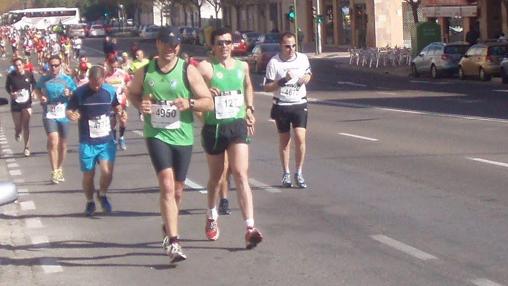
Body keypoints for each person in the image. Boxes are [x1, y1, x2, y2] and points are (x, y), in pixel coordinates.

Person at [128, 26, 213, 263]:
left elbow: (208, 103)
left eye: (174, 45)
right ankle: (174, 242)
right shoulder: (146, 72)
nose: (170, 48)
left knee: (177, 190)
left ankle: (168, 226)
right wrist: (140, 106)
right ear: (157, 44)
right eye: (166, 43)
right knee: (166, 184)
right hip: (157, 134)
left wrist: (190, 102)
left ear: (179, 47)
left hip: (182, 136)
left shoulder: (188, 71)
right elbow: (132, 94)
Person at [197, 27, 262, 248]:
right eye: (219, 43)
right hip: (214, 128)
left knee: (241, 173)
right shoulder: (206, 67)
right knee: (216, 178)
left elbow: (248, 87)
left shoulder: (242, 66)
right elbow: (190, 89)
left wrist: (250, 109)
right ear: (212, 46)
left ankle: (250, 227)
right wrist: (205, 94)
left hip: (237, 125)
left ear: (232, 44)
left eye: (227, 42)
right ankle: (211, 215)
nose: (224, 46)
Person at [67, 66, 124, 216]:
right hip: (87, 140)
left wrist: (121, 113)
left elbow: (117, 106)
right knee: (88, 174)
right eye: (93, 83)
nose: (96, 86)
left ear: (103, 79)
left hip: (106, 139)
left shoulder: (109, 91)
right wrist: (71, 115)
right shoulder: (80, 92)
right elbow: (69, 109)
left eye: (98, 83)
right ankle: (90, 201)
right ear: (89, 79)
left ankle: (102, 194)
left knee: (107, 172)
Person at [263, 32, 312, 189]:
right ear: (281, 46)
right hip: (282, 105)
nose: (291, 49)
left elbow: (309, 73)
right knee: (285, 141)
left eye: (293, 46)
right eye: (287, 46)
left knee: (300, 137)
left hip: (299, 103)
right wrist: (283, 80)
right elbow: (267, 87)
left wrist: (306, 78)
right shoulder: (274, 63)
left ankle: (299, 172)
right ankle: (286, 173)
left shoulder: (303, 58)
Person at [34, 55, 77, 184]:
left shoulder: (67, 79)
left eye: (56, 65)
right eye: (51, 65)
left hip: (63, 114)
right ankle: (54, 171)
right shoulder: (44, 79)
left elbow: (76, 93)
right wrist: (41, 97)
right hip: (49, 114)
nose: (53, 68)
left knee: (63, 144)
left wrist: (70, 94)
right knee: (53, 141)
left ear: (60, 66)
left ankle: (59, 168)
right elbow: (37, 89)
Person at [5, 57, 36, 157]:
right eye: (16, 65)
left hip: (27, 103)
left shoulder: (29, 74)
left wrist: (34, 92)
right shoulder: (11, 76)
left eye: (19, 65)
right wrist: (11, 93)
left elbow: (34, 84)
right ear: (14, 67)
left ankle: (27, 147)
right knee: (18, 126)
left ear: (23, 65)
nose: (18, 67)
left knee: (26, 125)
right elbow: (7, 87)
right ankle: (18, 132)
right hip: (16, 103)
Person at [104, 55, 130, 150]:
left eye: (115, 66)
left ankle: (121, 138)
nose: (114, 68)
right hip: (110, 102)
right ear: (108, 64)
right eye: (112, 66)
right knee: (112, 122)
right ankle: (114, 140)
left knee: (123, 121)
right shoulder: (105, 75)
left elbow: (129, 83)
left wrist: (126, 88)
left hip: (121, 101)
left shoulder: (122, 73)